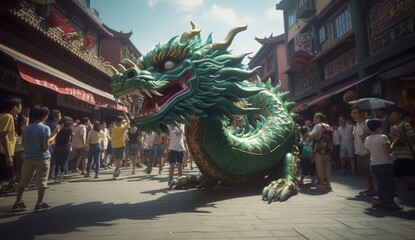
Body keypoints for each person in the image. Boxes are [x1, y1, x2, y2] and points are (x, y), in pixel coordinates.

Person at [12, 105, 61, 212]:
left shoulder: (27, 128)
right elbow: (45, 145)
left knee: (24, 181)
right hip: (42, 157)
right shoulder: (45, 128)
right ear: (44, 116)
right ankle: (40, 203)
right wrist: (56, 133)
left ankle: (18, 202)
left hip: (28, 157)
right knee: (42, 181)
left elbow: (23, 144)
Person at [364, 118, 402, 210]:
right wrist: (394, 142)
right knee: (389, 184)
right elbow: (388, 151)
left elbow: (368, 151)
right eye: (381, 126)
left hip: (374, 164)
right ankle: (390, 202)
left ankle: (381, 200)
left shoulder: (367, 139)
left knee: (380, 183)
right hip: (386, 163)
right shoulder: (382, 137)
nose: (382, 127)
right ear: (377, 128)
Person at [0, 96, 25, 194]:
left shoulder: (3, 115)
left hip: (3, 151)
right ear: (15, 107)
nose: (21, 108)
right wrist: (8, 155)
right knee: (2, 179)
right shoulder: (8, 117)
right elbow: (3, 136)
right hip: (3, 152)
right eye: (20, 105)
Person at [351, 106, 377, 196]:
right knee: (366, 173)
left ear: (361, 114)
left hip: (368, 152)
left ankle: (377, 189)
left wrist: (366, 138)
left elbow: (375, 135)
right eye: (352, 113)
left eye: (355, 113)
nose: (353, 115)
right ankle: (371, 188)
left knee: (372, 172)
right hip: (359, 152)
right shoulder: (356, 126)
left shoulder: (367, 124)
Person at [389, 107, 415, 191]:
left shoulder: (405, 124)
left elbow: (413, 137)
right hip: (396, 155)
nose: (391, 116)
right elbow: (391, 140)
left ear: (400, 115)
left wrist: (401, 139)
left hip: (407, 154)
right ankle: (392, 192)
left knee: (410, 174)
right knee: (397, 175)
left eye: (393, 114)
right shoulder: (392, 127)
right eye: (391, 114)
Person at [309, 112, 333, 191]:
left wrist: (308, 133)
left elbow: (312, 135)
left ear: (319, 119)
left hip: (319, 150)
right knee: (328, 166)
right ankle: (328, 184)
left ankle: (322, 184)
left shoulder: (317, 126)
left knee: (320, 167)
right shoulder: (328, 125)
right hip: (328, 150)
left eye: (314, 118)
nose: (314, 120)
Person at [51, 116, 73, 183]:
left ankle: (55, 178)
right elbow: (70, 138)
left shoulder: (59, 127)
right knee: (63, 163)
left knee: (57, 163)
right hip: (65, 147)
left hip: (57, 146)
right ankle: (61, 178)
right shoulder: (70, 129)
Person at [111, 112, 130, 179]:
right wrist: (126, 115)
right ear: (121, 121)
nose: (123, 121)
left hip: (114, 145)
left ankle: (117, 171)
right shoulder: (122, 128)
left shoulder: (114, 128)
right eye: (122, 120)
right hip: (121, 146)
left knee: (117, 160)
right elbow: (129, 122)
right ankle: (116, 171)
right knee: (119, 160)